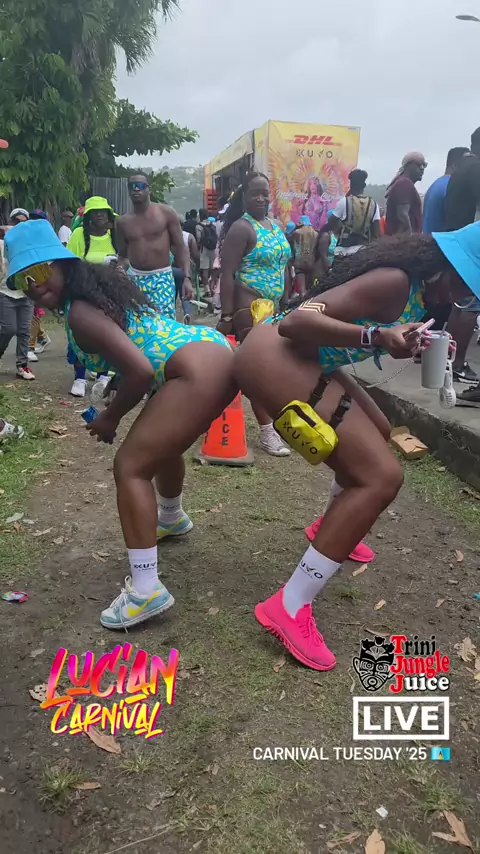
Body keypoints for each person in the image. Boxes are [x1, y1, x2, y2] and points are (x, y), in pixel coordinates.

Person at [232, 224, 479, 670]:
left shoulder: (418, 291)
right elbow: (296, 323)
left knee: (380, 428)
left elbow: (360, 328)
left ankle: (329, 526)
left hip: (305, 358)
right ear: (447, 266)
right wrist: (377, 337)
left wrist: (404, 342)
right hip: (275, 354)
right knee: (382, 477)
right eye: (465, 283)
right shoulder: (395, 281)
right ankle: (289, 606)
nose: (464, 296)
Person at [5, 220, 236, 629]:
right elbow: (136, 346)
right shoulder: (92, 294)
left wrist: (110, 419)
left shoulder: (80, 312)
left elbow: (140, 370)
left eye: (39, 271)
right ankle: (171, 517)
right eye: (24, 280)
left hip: (195, 371)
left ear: (62, 263)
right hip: (207, 355)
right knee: (158, 446)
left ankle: (146, 590)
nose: (34, 285)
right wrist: (117, 383)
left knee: (130, 467)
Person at [218, 172, 292, 457]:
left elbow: (285, 266)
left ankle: (277, 424)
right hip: (248, 304)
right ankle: (267, 432)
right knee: (258, 370)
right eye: (254, 194)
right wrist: (227, 316)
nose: (261, 198)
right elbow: (227, 274)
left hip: (275, 307)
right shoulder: (241, 228)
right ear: (244, 197)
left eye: (265, 193)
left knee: (276, 367)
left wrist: (287, 301)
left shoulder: (277, 226)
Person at [117, 172, 193, 318]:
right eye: (132, 186)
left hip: (161, 278)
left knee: (163, 322)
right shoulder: (123, 222)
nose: (136, 189)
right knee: (137, 323)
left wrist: (187, 278)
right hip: (135, 279)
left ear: (149, 189)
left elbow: (180, 248)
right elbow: (123, 256)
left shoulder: (166, 213)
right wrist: (120, 269)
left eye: (140, 186)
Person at [66, 196, 118, 397]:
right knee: (80, 335)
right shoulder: (79, 235)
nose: (100, 215)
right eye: (95, 212)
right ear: (87, 216)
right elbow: (70, 264)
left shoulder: (116, 236)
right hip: (83, 294)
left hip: (110, 296)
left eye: (103, 212)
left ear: (109, 215)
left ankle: (102, 376)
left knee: (106, 335)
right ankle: (79, 378)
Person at [444, 129, 480, 391]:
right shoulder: (476, 169)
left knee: (460, 304)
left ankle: (448, 362)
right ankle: (456, 365)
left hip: (457, 243)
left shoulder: (460, 169)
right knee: (470, 305)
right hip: (471, 245)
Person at [0, 208, 35, 380]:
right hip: (5, 291)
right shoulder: (2, 244)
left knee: (24, 331)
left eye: (23, 222)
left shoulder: (31, 244)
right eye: (16, 221)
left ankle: (22, 365)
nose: (19, 225)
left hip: (26, 293)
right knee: (8, 329)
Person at [326, 169, 380, 257]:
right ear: (364, 185)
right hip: (363, 251)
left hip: (343, 252)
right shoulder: (373, 204)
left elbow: (331, 223)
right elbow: (376, 233)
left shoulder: (344, 202)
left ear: (350, 184)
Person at [423, 148, 469, 234]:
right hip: (443, 241)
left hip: (430, 239)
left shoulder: (435, 185)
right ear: (454, 166)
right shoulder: (452, 186)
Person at [385, 152, 427, 235]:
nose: (422, 168)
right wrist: (410, 239)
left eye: (424, 165)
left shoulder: (403, 183)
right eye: (418, 164)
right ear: (407, 166)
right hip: (401, 241)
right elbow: (402, 216)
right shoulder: (404, 184)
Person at [293, 215, 318, 296]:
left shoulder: (297, 232)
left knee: (302, 291)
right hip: (311, 261)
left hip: (299, 261)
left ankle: (302, 299)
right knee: (310, 289)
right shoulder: (315, 233)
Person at [196, 211, 217, 294]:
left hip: (204, 249)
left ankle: (207, 289)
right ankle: (213, 287)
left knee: (205, 270)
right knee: (212, 269)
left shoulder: (199, 226)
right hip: (213, 249)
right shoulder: (212, 224)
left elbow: (198, 238)